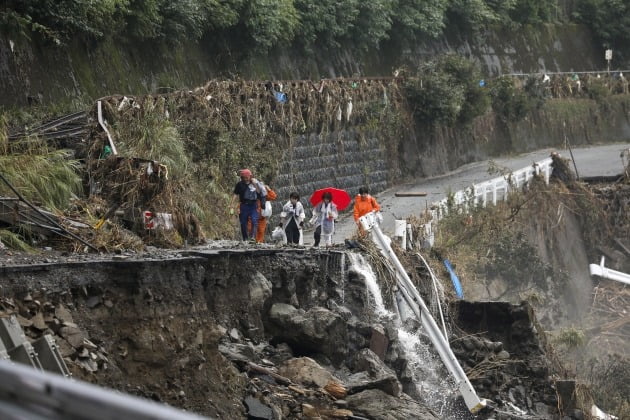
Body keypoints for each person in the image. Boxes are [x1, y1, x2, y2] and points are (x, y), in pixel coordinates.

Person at [231, 168, 264, 242]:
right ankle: (245, 239)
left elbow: (259, 192)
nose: (246, 179)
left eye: (247, 177)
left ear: (250, 176)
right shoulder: (239, 184)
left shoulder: (254, 183)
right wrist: (232, 204)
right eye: (244, 177)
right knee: (243, 223)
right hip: (243, 206)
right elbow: (235, 194)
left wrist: (254, 184)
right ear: (241, 177)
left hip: (253, 205)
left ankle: (252, 237)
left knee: (254, 220)